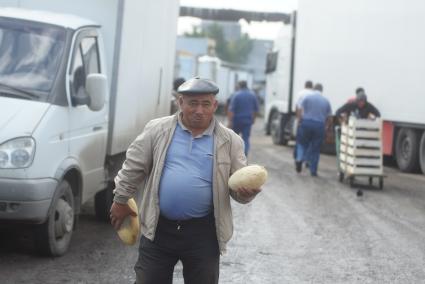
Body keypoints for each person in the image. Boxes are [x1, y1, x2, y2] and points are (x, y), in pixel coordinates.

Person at [110, 77, 261, 284]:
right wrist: (120, 200)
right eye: (192, 103)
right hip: (159, 229)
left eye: (206, 104)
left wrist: (246, 194)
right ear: (180, 103)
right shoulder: (157, 130)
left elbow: (237, 185)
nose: (199, 110)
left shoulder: (230, 140)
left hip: (204, 233)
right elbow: (132, 167)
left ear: (215, 106)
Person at [295, 83, 332, 176]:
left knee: (302, 144)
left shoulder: (307, 97)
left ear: (313, 89)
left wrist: (299, 120)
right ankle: (313, 170)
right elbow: (330, 117)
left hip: (306, 123)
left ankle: (299, 159)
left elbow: (299, 108)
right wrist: (326, 126)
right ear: (321, 90)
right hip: (319, 126)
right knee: (315, 149)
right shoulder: (326, 101)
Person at [228, 80, 259, 156]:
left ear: (239, 86)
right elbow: (256, 109)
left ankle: (234, 155)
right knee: (245, 139)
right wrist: (254, 119)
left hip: (236, 121)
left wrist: (230, 121)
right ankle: (244, 154)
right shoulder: (253, 95)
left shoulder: (236, 95)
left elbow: (231, 110)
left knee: (235, 138)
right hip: (247, 121)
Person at [294, 80, 315, 160]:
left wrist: (298, 119)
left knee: (300, 141)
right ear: (311, 86)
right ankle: (307, 160)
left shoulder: (300, 93)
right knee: (310, 142)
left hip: (302, 120)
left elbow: (297, 106)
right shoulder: (313, 94)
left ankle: (299, 158)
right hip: (312, 120)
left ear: (305, 85)